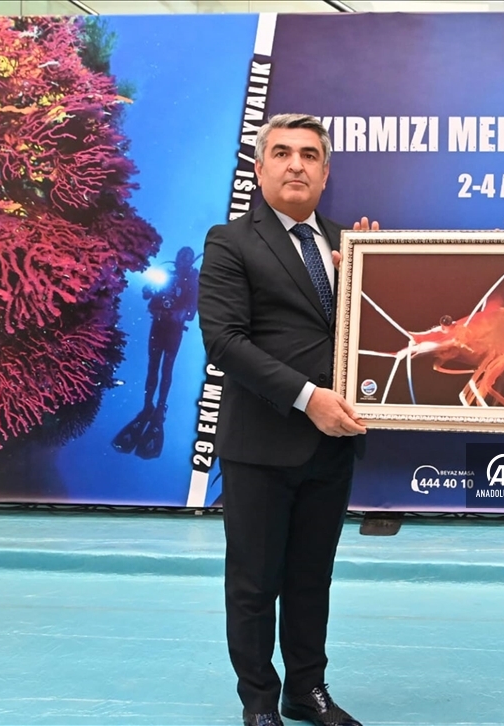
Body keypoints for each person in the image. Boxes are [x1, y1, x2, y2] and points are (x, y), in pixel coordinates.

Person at [198, 113, 370, 726]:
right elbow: (224, 342)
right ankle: (259, 702)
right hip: (261, 445)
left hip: (333, 446)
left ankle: (307, 690)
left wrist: (376, 274)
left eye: (310, 154)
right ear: (259, 167)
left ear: (326, 172)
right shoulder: (230, 241)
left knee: (310, 579)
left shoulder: (351, 245)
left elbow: (377, 333)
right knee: (254, 582)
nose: (296, 163)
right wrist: (307, 397)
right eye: (282, 152)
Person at [112, 245, 199, 459]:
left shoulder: (193, 281)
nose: (183, 260)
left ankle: (159, 407)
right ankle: (149, 406)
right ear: (177, 258)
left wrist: (178, 313)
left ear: (191, 261)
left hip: (173, 330)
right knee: (153, 367)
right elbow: (147, 295)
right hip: (159, 326)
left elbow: (191, 312)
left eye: (187, 257)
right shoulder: (167, 275)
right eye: (181, 256)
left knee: (166, 368)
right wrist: (151, 288)